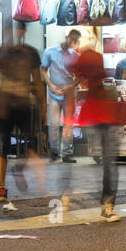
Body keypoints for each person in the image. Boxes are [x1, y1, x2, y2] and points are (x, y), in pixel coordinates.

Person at [62, 34, 124, 221]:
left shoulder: (83, 61)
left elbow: (73, 89)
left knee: (103, 162)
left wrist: (68, 122)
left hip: (95, 112)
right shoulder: (94, 58)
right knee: (108, 162)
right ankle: (107, 204)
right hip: (104, 112)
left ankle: (68, 196)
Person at [0, 21, 45, 209]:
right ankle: (1, 188)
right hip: (4, 106)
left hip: (24, 105)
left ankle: (19, 169)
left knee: (32, 146)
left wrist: (43, 104)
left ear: (23, 32)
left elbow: (37, 81)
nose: (15, 34)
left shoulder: (31, 54)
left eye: (18, 30)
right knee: (3, 147)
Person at [41, 28, 80, 163]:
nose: (73, 42)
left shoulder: (75, 56)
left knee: (69, 124)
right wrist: (51, 86)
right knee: (53, 124)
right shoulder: (49, 52)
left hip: (69, 95)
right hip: (54, 93)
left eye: (76, 40)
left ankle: (67, 153)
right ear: (66, 36)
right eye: (72, 38)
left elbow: (80, 76)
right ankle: (54, 151)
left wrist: (71, 86)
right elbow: (43, 70)